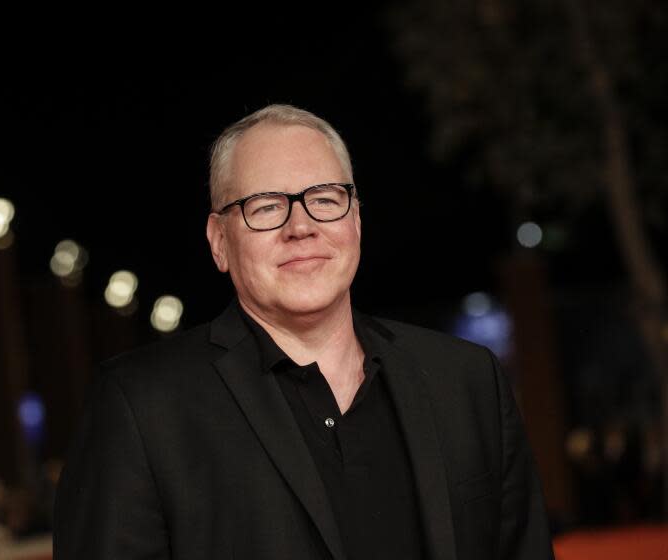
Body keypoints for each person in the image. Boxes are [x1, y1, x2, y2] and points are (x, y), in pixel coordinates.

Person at [53, 104, 554, 559]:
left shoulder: (466, 382)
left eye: (324, 197)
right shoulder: (142, 406)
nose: (301, 226)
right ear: (219, 241)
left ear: (355, 218)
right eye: (267, 205)